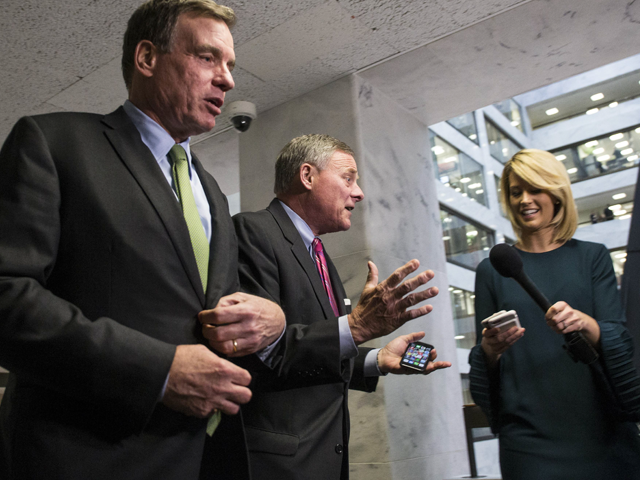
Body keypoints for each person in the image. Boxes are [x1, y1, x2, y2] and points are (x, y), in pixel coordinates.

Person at [0, 1, 287, 479]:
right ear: (147, 58)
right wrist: (157, 372)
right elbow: (7, 294)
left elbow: (204, 304)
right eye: (207, 57)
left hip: (205, 458)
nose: (228, 80)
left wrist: (271, 318)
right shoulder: (53, 144)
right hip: (86, 458)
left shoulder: (212, 192)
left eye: (230, 65)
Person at [203, 134, 450, 480]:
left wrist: (376, 359)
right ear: (307, 176)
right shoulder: (253, 231)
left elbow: (317, 351)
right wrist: (357, 326)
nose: (359, 193)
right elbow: (257, 352)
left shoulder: (319, 255)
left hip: (325, 459)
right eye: (348, 178)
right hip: (276, 465)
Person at [468, 149, 640, 479]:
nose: (524, 200)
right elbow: (483, 355)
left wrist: (584, 322)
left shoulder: (593, 257)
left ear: (557, 193)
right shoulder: (492, 269)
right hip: (528, 439)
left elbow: (618, 334)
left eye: (534, 189)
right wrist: (490, 349)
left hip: (603, 430)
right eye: (515, 192)